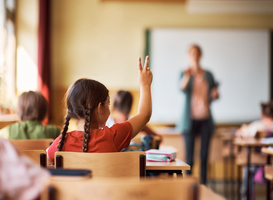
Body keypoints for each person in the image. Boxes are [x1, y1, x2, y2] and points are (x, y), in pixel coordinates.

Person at [46, 56, 153, 164]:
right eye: (108, 104)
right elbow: (145, 115)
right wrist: (145, 84)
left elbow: (44, 162)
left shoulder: (61, 143)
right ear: (99, 108)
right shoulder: (112, 136)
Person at [178, 44, 219, 184]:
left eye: (197, 53)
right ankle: (189, 187)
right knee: (189, 158)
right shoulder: (185, 73)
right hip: (189, 120)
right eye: (191, 53)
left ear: (200, 55)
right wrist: (188, 76)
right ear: (188, 56)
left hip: (205, 118)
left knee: (204, 157)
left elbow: (213, 95)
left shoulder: (208, 75)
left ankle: (204, 187)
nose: (194, 56)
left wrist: (215, 95)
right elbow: (182, 87)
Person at [236, 101, 273, 199]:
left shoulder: (258, 126)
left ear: (262, 114)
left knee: (248, 168)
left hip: (260, 163)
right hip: (271, 162)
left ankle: (247, 196)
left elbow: (241, 132)